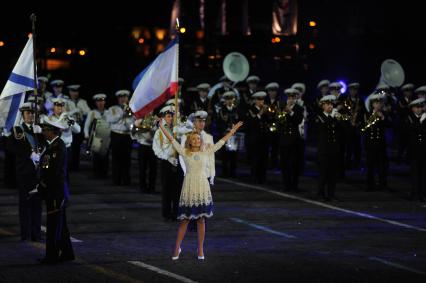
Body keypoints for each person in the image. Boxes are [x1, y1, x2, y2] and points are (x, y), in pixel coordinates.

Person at [157, 117, 243, 260]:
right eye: (194, 139)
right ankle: (177, 247)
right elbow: (172, 139)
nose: (197, 140)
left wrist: (233, 130)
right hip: (190, 187)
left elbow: (221, 142)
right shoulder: (185, 152)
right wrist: (161, 127)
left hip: (202, 187)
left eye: (198, 138)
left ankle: (200, 249)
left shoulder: (206, 152)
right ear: (190, 141)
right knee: (184, 220)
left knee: (201, 220)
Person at [33, 118, 75, 264]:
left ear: (53, 131)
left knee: (53, 226)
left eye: (46, 130)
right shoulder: (52, 145)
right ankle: (68, 253)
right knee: (60, 225)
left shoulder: (57, 147)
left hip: (55, 192)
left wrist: (43, 186)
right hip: (54, 190)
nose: (43, 132)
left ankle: (51, 256)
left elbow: (54, 173)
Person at [6, 103, 43, 241]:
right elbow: (9, 147)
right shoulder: (17, 131)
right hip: (24, 172)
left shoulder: (38, 130)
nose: (31, 115)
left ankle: (36, 233)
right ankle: (26, 234)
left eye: (33, 113)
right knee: (25, 204)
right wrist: (28, 153)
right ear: (23, 115)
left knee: (37, 204)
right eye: (28, 113)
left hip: (38, 172)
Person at [152, 106, 182, 221]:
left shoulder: (178, 129)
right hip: (166, 162)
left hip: (178, 161)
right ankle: (166, 214)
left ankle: (176, 213)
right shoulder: (159, 132)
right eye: (168, 116)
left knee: (177, 190)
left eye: (172, 116)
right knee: (166, 190)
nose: (170, 118)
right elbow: (156, 149)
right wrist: (167, 158)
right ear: (164, 117)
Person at [315, 95, 342, 201]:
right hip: (324, 150)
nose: (330, 106)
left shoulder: (335, 117)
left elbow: (342, 128)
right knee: (323, 173)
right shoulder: (319, 117)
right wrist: (333, 117)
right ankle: (320, 194)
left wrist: (340, 119)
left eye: (331, 104)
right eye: (327, 104)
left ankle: (331, 193)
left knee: (333, 174)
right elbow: (323, 127)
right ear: (323, 106)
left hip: (334, 149)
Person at [105, 89, 134, 186]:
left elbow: (133, 122)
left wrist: (128, 119)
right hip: (116, 134)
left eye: (125, 97)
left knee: (127, 159)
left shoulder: (132, 109)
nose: (123, 99)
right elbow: (110, 119)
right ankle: (116, 180)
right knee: (116, 158)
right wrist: (122, 114)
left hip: (126, 135)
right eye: (121, 97)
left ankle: (126, 180)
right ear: (118, 99)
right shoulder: (113, 108)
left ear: (127, 98)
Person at [362, 92, 390, 191]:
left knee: (382, 166)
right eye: (376, 103)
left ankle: (382, 184)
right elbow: (364, 127)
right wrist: (374, 116)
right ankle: (370, 184)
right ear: (372, 104)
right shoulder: (367, 114)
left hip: (381, 144)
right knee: (370, 165)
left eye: (380, 103)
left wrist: (382, 118)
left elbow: (390, 125)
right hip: (370, 144)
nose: (378, 105)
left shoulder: (385, 114)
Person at [279, 88, 304, 191]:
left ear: (296, 98)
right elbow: (279, 121)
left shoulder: (299, 108)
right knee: (284, 163)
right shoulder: (282, 107)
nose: (291, 100)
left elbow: (298, 121)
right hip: (284, 140)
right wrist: (284, 112)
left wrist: (291, 112)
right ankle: (287, 185)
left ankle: (294, 185)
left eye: (293, 98)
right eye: (289, 97)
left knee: (294, 164)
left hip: (294, 140)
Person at [84, 94, 110, 178]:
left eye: (102, 101)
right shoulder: (92, 113)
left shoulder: (109, 112)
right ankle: (96, 173)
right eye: (98, 101)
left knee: (105, 156)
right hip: (96, 137)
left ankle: (104, 173)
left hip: (106, 137)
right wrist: (86, 135)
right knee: (96, 156)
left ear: (104, 102)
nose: (100, 103)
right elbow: (87, 125)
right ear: (96, 103)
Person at [131, 112, 157, 193]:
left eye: (151, 110)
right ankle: (142, 187)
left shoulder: (155, 120)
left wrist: (152, 128)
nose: (150, 111)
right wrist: (139, 128)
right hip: (142, 145)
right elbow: (133, 134)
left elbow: (157, 132)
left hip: (153, 146)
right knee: (142, 167)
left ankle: (152, 187)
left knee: (153, 168)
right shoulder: (138, 120)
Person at [67, 84, 90, 171]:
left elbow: (89, 112)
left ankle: (76, 166)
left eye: (76, 91)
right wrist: (73, 111)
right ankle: (70, 165)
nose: (75, 93)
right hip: (70, 128)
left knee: (77, 148)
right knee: (70, 147)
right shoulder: (67, 102)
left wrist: (82, 111)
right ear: (70, 92)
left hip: (79, 126)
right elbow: (65, 113)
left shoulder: (83, 102)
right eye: (73, 91)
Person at [246, 91, 269, 184]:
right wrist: (260, 114)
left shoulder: (266, 111)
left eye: (263, 99)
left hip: (264, 138)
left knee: (264, 159)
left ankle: (262, 178)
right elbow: (250, 124)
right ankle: (254, 177)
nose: (261, 102)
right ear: (255, 100)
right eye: (259, 99)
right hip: (255, 139)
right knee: (255, 159)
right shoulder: (250, 110)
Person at [406, 98, 426, 201]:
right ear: (412, 108)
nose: (419, 109)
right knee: (415, 173)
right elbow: (412, 129)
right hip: (414, 150)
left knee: (423, 172)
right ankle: (415, 193)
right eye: (417, 107)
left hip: (423, 149)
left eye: (421, 107)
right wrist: (421, 121)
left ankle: (422, 193)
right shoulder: (409, 118)